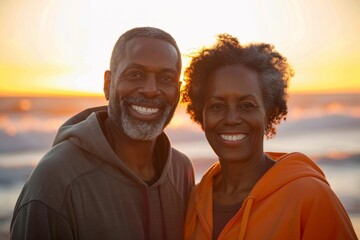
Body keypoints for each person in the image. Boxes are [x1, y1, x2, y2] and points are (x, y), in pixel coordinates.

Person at [10, 26, 195, 239]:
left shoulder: (182, 171)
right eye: (135, 74)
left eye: (166, 78)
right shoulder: (55, 180)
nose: (151, 89)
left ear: (178, 92)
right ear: (108, 84)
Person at [181, 34, 357, 239]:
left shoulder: (310, 196)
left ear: (269, 112)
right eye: (217, 106)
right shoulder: (194, 199)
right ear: (201, 115)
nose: (231, 118)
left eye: (247, 105)